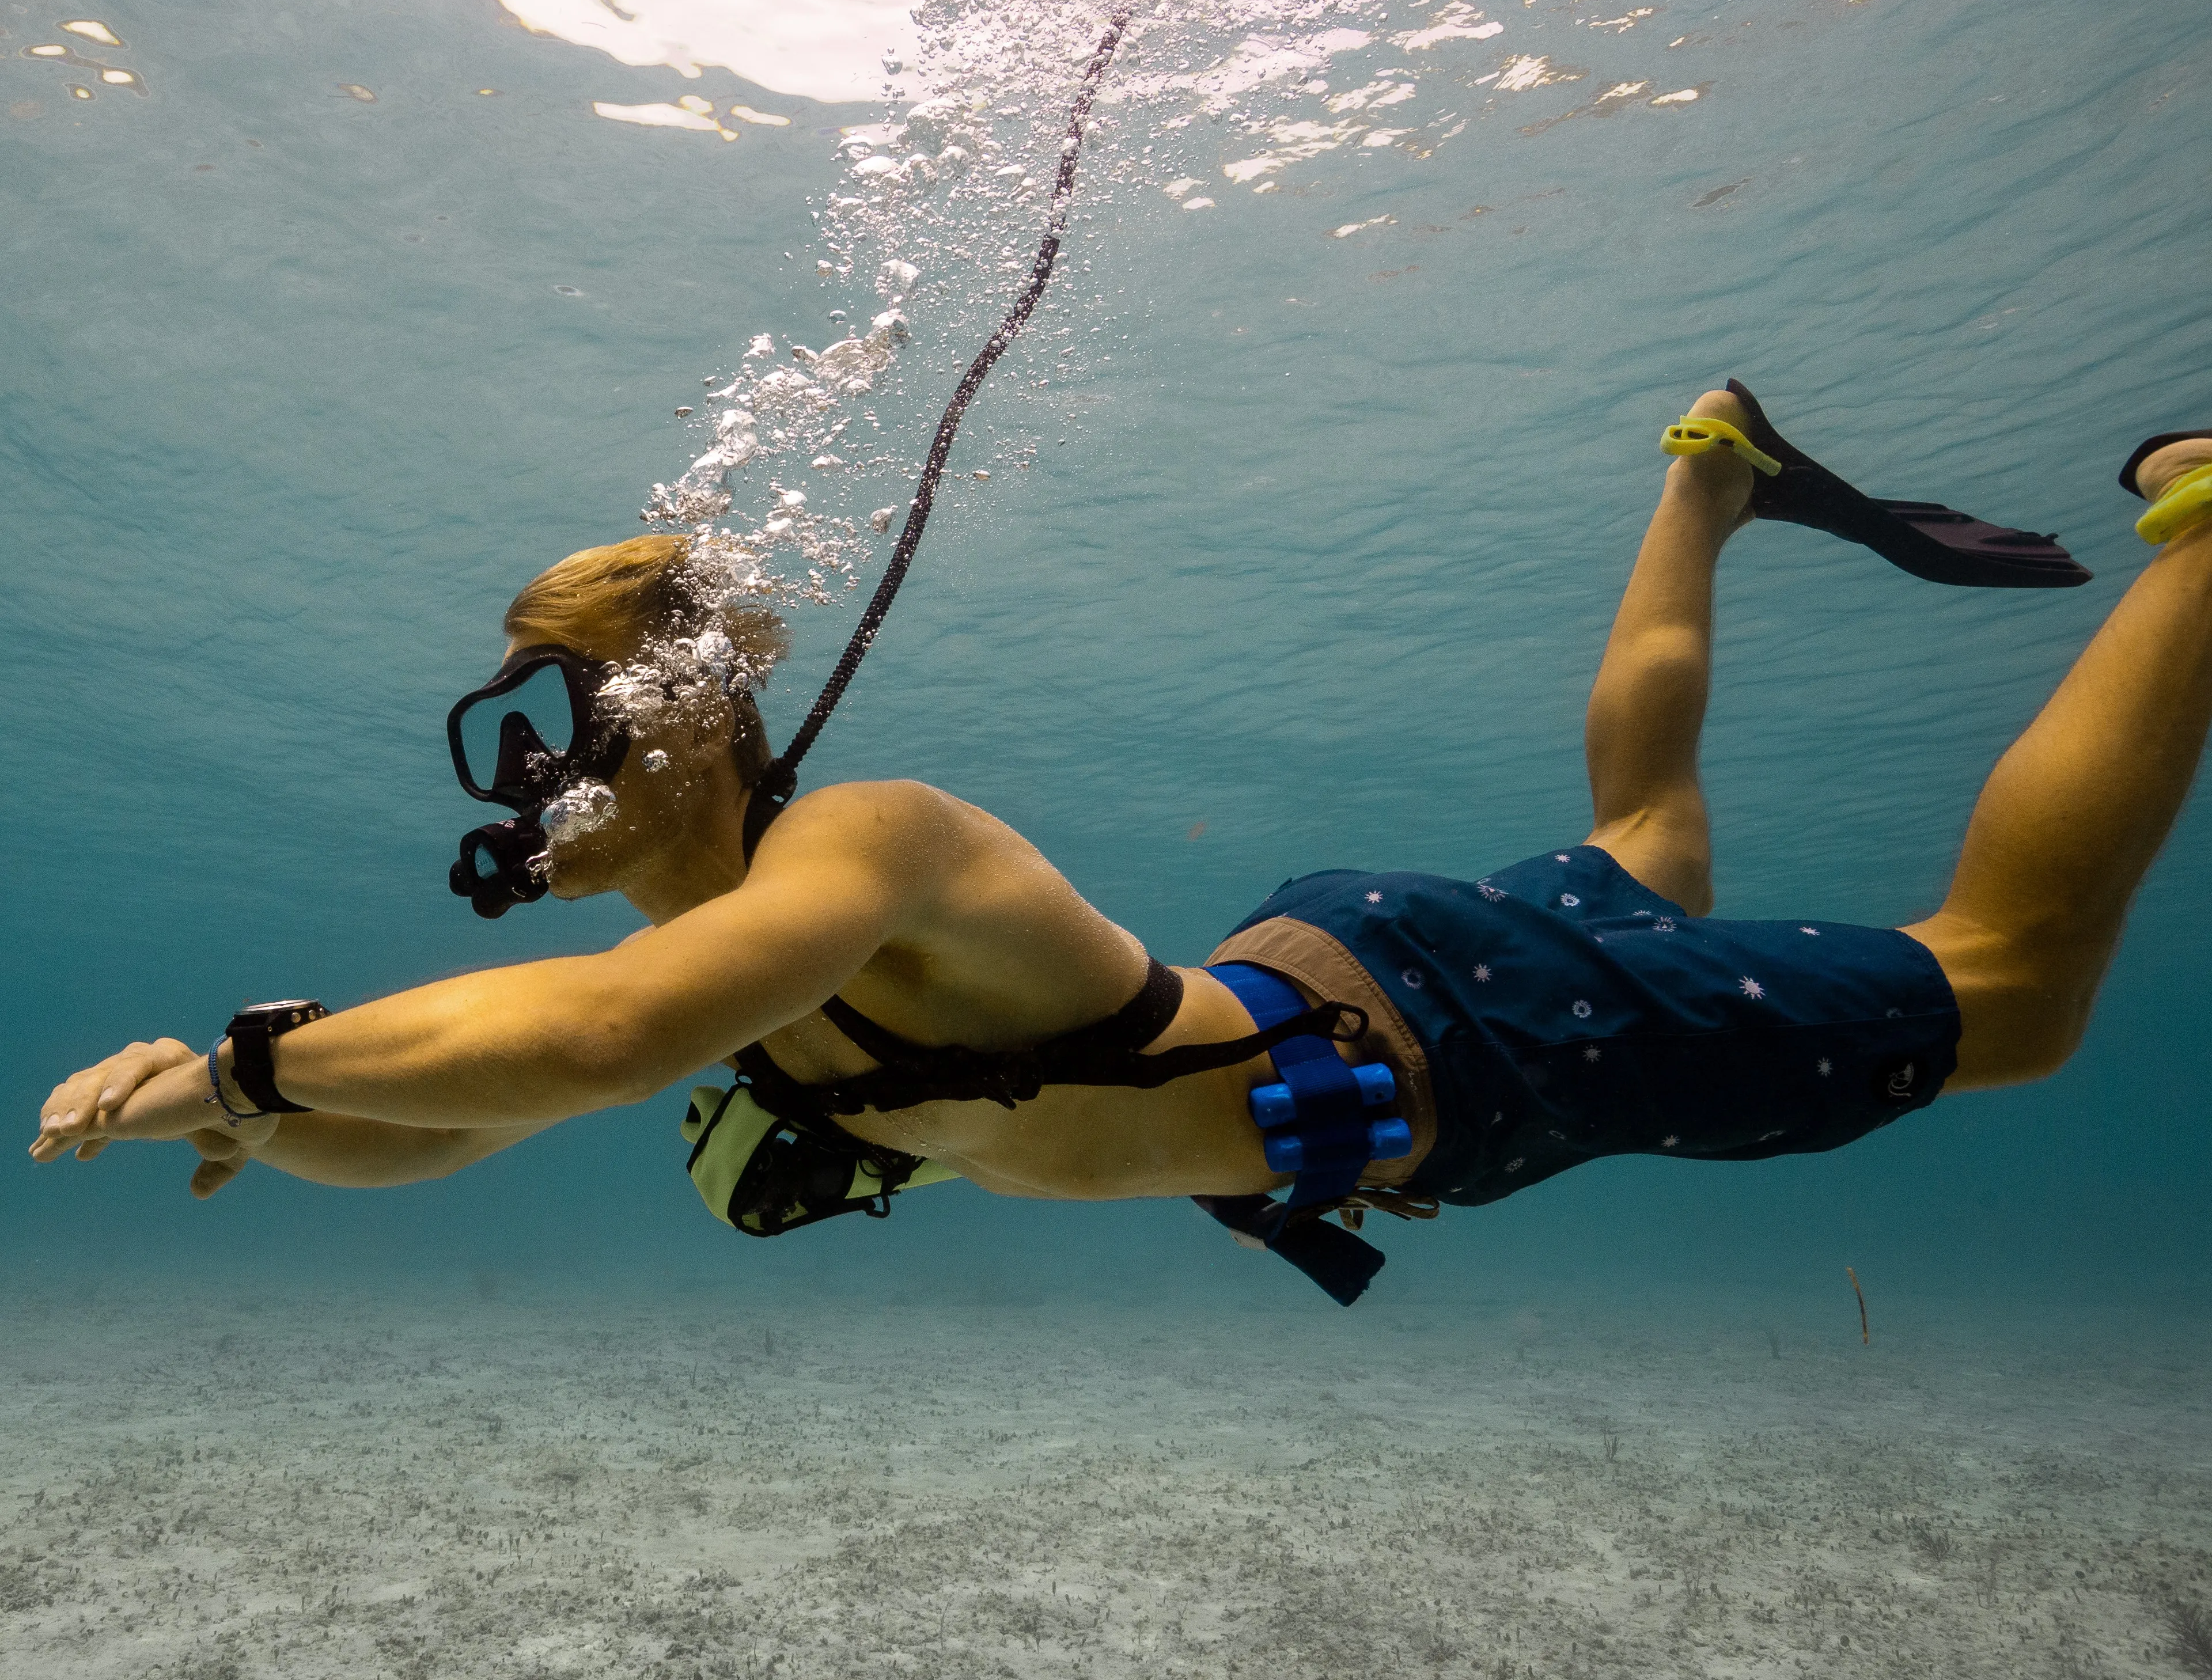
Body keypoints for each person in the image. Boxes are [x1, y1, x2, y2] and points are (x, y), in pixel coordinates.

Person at [29, 385, 2212, 1302]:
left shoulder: (856, 851)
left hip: (1460, 1041)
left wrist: (255, 1059)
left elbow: (591, 1040)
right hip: (1368, 1009)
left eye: (552, 721)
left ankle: (2200, 531)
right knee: (1644, 833)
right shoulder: (759, 952)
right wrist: (241, 1124)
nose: (526, 781)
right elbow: (448, 1126)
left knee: (2013, 994)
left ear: (682, 717)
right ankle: (1706, 477)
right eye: (506, 733)